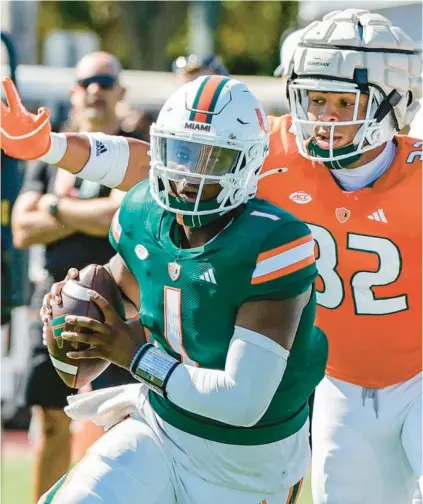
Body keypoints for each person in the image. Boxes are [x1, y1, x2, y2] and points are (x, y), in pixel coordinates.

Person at [1, 8, 421, 504]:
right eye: (315, 98)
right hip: (340, 385)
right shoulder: (278, 149)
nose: (323, 117)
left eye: (342, 101)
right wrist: (47, 144)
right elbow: (153, 160)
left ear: (393, 101)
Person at [31, 76, 326, 502]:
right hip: (161, 427)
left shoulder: (273, 241)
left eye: (215, 157)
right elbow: (121, 287)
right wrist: (75, 306)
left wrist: (136, 357)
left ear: (248, 162)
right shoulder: (143, 212)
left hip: (248, 462)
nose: (191, 172)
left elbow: (242, 402)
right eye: (182, 152)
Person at [10, 51, 138, 503]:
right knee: (50, 419)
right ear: (74, 92)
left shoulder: (134, 148)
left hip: (121, 305)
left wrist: (54, 208)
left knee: (121, 422)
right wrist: (87, 215)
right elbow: (23, 228)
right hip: (55, 300)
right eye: (87, 82)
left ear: (120, 92)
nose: (96, 90)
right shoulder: (52, 153)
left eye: (106, 81)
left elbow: (121, 214)